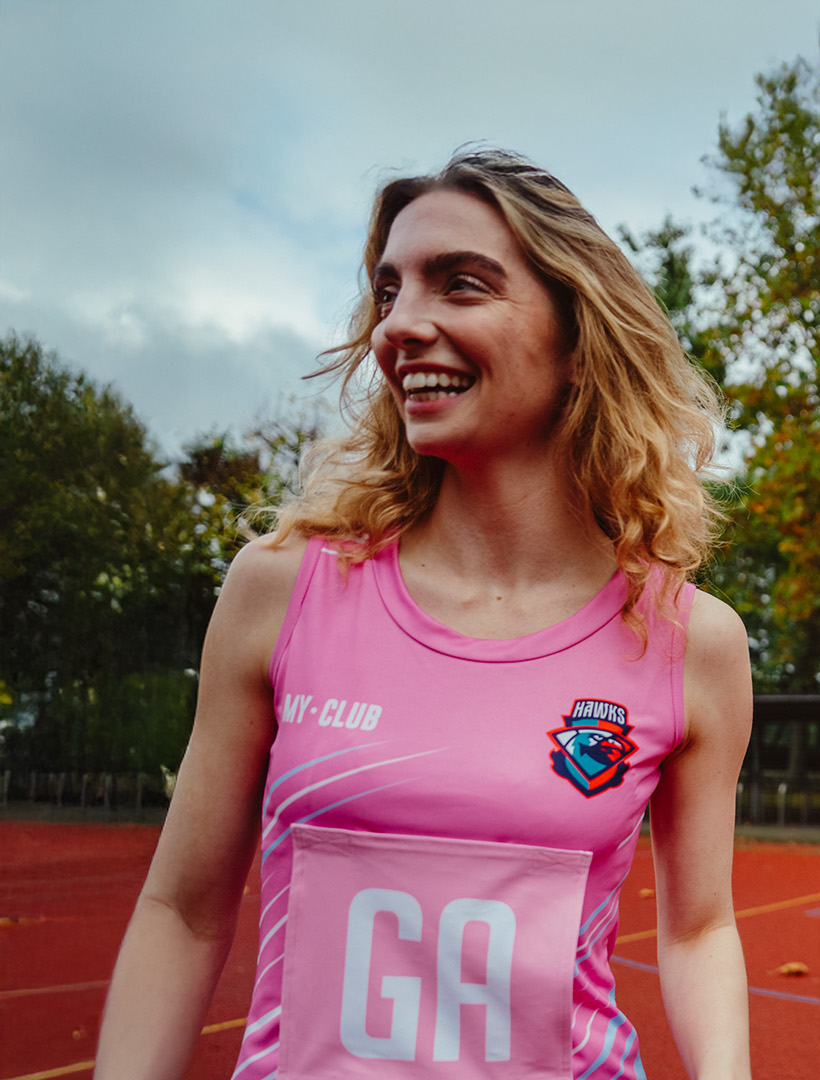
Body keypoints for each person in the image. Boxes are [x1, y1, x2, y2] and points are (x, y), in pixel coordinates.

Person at [95, 149, 753, 1079]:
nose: (400, 326)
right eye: (389, 291)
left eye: (461, 285)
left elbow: (698, 930)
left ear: (576, 338)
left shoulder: (690, 640)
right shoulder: (281, 590)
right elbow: (185, 911)